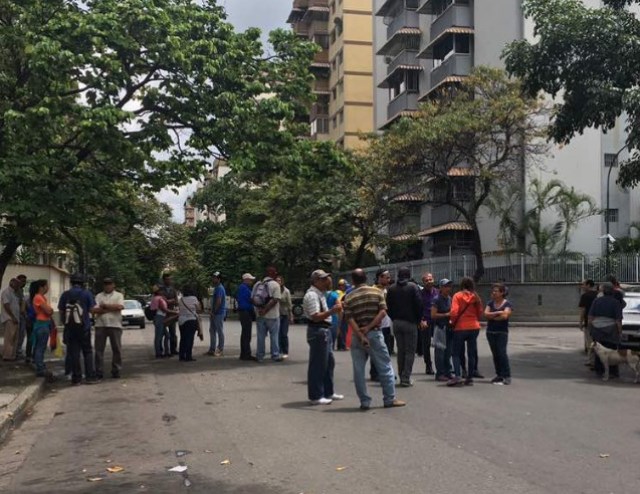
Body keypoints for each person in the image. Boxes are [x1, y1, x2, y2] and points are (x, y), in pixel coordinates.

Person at [344, 268, 405, 410]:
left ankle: (364, 401)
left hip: (357, 336)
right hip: (375, 334)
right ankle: (389, 398)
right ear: (366, 278)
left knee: (358, 370)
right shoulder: (377, 293)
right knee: (384, 366)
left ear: (353, 281)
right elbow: (383, 312)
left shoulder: (349, 297)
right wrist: (369, 327)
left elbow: (349, 318)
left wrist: (360, 334)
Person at [302, 270, 344, 405]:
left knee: (328, 363)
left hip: (324, 329)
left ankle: (328, 391)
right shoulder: (312, 295)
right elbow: (315, 316)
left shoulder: (320, 294)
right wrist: (332, 311)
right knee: (318, 364)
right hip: (318, 330)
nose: (326, 281)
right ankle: (316, 395)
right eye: (323, 279)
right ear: (316, 281)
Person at [59, 274, 99, 385]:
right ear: (83, 283)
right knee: (87, 351)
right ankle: (90, 376)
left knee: (74, 353)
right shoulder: (86, 294)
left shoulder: (65, 294)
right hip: (84, 327)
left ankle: (76, 378)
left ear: (71, 282)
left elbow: (61, 311)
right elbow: (92, 310)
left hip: (70, 328)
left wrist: (66, 324)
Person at [386, 267, 423, 387]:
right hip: (410, 322)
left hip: (396, 322)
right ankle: (406, 377)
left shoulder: (391, 288)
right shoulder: (413, 287)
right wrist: (418, 320)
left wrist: (393, 318)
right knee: (410, 351)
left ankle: (401, 374)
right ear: (409, 275)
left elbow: (388, 307)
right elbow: (419, 304)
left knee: (401, 350)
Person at [447, 277, 483, 387]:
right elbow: (480, 311)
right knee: (471, 353)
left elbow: (454, 312)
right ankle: (470, 378)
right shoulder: (475, 297)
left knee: (456, 353)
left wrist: (452, 321)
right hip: (474, 326)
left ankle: (458, 376)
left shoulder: (457, 296)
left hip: (461, 327)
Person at [93, 277, 125, 379]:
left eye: (109, 284)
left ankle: (116, 370)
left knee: (116, 349)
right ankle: (99, 371)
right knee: (99, 350)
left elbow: (120, 307)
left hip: (115, 324)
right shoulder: (99, 296)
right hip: (101, 324)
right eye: (105, 284)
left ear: (113, 285)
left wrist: (105, 306)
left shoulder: (119, 295)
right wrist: (111, 308)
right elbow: (95, 310)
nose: (107, 286)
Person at [252, 266, 283, 362]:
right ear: (274, 274)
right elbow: (275, 299)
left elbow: (252, 298)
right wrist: (266, 310)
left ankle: (260, 356)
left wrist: (260, 309)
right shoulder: (275, 285)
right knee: (274, 336)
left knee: (260, 336)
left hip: (260, 315)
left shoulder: (257, 284)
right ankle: (275, 355)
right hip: (273, 316)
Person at [484, 283, 513, 385]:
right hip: (491, 332)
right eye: (493, 291)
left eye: (496, 291)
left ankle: (506, 375)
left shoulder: (507, 304)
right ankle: (499, 374)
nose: (494, 293)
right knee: (495, 354)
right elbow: (486, 314)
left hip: (501, 332)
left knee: (502, 353)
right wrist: (498, 313)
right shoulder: (490, 303)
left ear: (502, 293)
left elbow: (505, 316)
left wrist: (494, 317)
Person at [370, 268, 393, 382]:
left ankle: (384, 372)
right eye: (386, 277)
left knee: (386, 350)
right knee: (376, 350)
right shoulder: (373, 290)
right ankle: (375, 373)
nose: (389, 279)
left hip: (387, 323)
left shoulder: (387, 290)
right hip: (377, 324)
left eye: (389, 277)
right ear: (380, 277)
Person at [431, 279, 454, 382]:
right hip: (440, 328)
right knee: (440, 352)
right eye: (445, 286)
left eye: (449, 286)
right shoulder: (437, 299)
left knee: (448, 351)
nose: (448, 288)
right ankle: (439, 373)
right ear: (441, 287)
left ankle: (448, 372)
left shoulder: (450, 298)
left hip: (449, 328)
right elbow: (433, 315)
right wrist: (445, 315)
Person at [31, 280, 54, 379]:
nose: (48, 288)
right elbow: (48, 311)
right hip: (42, 325)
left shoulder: (41, 298)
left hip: (43, 324)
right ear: (41, 287)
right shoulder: (39, 298)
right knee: (40, 347)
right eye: (46, 286)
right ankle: (40, 368)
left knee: (39, 347)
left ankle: (39, 365)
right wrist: (51, 310)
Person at [418, 272, 438, 375]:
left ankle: (441, 365)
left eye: (430, 279)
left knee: (439, 344)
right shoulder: (420, 294)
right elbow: (417, 309)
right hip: (425, 321)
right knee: (426, 345)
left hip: (437, 321)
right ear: (423, 282)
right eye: (426, 280)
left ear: (433, 280)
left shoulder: (437, 292)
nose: (429, 282)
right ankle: (428, 366)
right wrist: (421, 320)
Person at [150, 285, 177, 358]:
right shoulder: (159, 299)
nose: (163, 291)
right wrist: (175, 312)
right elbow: (164, 309)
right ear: (159, 291)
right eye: (162, 290)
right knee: (158, 336)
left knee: (166, 335)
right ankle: (158, 353)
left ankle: (165, 352)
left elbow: (167, 302)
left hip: (159, 317)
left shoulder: (157, 298)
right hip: (159, 317)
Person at [178, 285, 202, 362]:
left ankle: (181, 356)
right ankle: (188, 356)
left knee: (183, 338)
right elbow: (198, 310)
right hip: (191, 320)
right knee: (190, 339)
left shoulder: (181, 299)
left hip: (181, 321)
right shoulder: (194, 299)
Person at [236, 273, 256, 361]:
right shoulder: (244, 288)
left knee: (245, 333)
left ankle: (244, 353)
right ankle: (246, 354)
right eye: (250, 280)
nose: (251, 281)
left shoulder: (243, 288)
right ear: (246, 279)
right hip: (245, 312)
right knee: (246, 334)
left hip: (244, 311)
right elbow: (251, 299)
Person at [1, 278, 21, 361]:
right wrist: (12, 317)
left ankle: (12, 355)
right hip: (10, 318)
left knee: (14, 338)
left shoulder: (14, 293)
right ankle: (7, 356)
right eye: (17, 284)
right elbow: (6, 305)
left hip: (15, 319)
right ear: (12, 283)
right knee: (9, 338)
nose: (18, 286)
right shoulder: (6, 292)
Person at [578, 279, 598, 364]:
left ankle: (591, 361)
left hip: (588, 322)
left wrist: (580, 322)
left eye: (583, 284)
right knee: (597, 342)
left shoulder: (585, 296)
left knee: (589, 342)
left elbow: (583, 310)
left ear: (589, 285)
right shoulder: (599, 295)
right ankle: (597, 361)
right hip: (599, 322)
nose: (582, 286)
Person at [207, 272, 226, 356]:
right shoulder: (216, 288)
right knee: (212, 330)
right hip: (215, 312)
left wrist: (214, 312)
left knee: (219, 331)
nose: (213, 279)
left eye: (215, 278)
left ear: (219, 279)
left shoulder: (219, 288)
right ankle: (212, 349)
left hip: (218, 313)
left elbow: (218, 301)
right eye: (213, 277)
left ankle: (220, 349)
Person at [160, 273, 179, 356]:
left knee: (173, 333)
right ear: (164, 280)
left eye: (170, 279)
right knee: (161, 333)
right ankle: (161, 350)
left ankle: (173, 349)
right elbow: (160, 301)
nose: (169, 281)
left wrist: (169, 301)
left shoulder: (173, 289)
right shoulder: (160, 289)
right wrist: (170, 301)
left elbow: (177, 301)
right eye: (167, 279)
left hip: (171, 313)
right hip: (162, 313)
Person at [276, 275, 294, 359]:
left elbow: (289, 304)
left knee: (284, 333)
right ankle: (278, 350)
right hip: (276, 314)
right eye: (276, 280)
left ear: (282, 282)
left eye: (279, 280)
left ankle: (285, 350)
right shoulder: (274, 290)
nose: (278, 282)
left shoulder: (286, 291)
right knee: (277, 334)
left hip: (284, 314)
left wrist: (291, 315)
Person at [15, 274, 27, 360]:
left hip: (21, 315)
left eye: (25, 281)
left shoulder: (21, 290)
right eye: (22, 281)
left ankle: (18, 351)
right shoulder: (17, 291)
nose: (24, 283)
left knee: (21, 334)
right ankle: (17, 351)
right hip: (18, 315)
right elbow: (19, 304)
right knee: (19, 334)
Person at [326, 283, 341, 350]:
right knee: (331, 342)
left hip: (323, 319)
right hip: (333, 320)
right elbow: (340, 308)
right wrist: (339, 322)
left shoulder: (320, 294)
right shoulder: (334, 294)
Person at [335, 279, 349, 350]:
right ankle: (343, 345)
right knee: (343, 329)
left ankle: (339, 345)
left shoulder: (342, 292)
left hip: (340, 313)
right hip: (341, 313)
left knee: (341, 329)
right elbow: (340, 302)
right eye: (344, 285)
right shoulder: (339, 293)